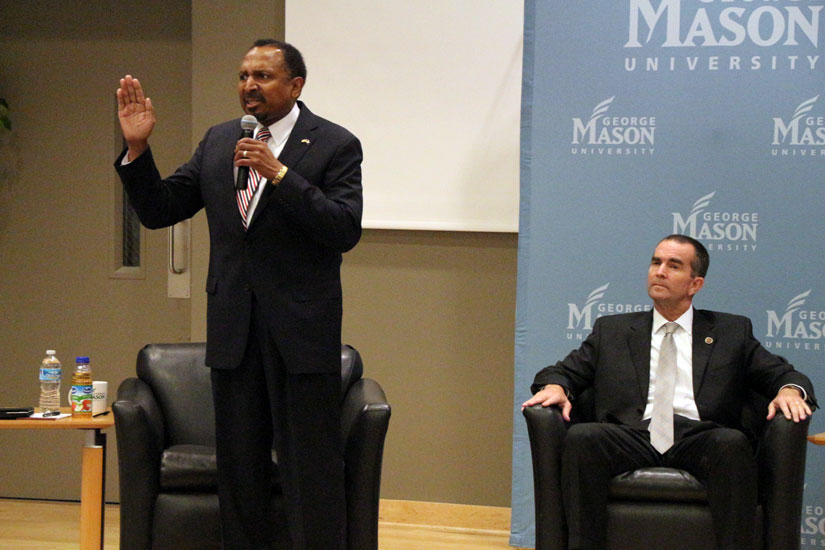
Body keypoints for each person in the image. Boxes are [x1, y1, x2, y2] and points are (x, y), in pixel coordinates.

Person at [115, 38, 362, 550]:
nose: (249, 86)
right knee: (240, 473)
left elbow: (343, 228)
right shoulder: (219, 140)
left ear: (296, 85)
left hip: (301, 336)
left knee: (308, 473)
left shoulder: (335, 144)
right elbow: (161, 210)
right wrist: (138, 152)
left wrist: (282, 175)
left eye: (264, 76)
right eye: (244, 75)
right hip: (234, 333)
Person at [522, 234, 816, 550]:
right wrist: (555, 386)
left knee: (732, 444)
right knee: (583, 438)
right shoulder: (613, 330)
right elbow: (562, 371)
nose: (659, 271)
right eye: (655, 262)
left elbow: (783, 374)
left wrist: (789, 389)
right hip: (631, 434)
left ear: (695, 284)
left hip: (700, 436)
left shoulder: (731, 331)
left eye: (673, 265)